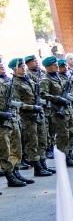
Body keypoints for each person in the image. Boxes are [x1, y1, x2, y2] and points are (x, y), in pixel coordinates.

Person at [39, 56, 73, 168]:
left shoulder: (59, 77)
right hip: (57, 110)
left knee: (70, 132)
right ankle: (63, 157)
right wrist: (57, 99)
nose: (57, 65)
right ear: (47, 67)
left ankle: (69, 154)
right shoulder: (45, 79)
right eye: (54, 64)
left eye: (57, 63)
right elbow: (43, 94)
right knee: (63, 135)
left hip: (67, 109)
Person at [1, 61, 31, 189]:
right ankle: (9, 175)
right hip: (1, 121)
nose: (1, 65)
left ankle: (16, 171)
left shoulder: (8, 81)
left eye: (1, 63)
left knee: (16, 147)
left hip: (12, 118)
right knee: (4, 150)